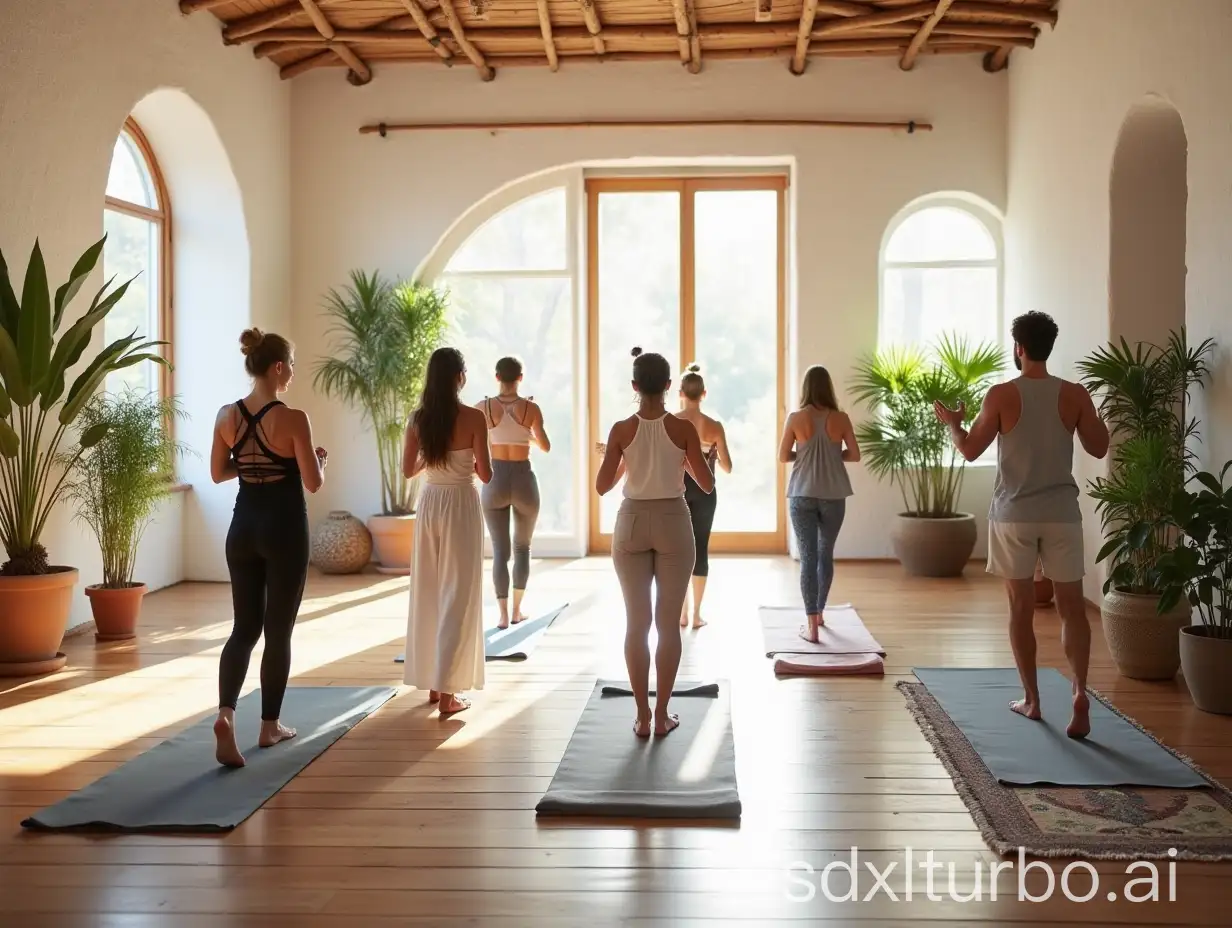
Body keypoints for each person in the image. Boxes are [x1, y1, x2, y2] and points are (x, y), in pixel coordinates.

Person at [934, 311, 1109, 739]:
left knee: (1020, 608)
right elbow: (1100, 446)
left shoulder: (1000, 395)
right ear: (1049, 347)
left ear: (1019, 348)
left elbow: (971, 450)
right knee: (1071, 608)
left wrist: (954, 425)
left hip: (1014, 515)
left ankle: (1031, 700)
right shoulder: (1074, 394)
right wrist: (1085, 413)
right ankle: (1080, 691)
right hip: (1062, 514)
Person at [209, 328, 327, 768]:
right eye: (292, 365)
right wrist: (315, 461)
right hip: (284, 532)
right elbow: (312, 483)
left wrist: (252, 458)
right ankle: (269, 726)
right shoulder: (293, 418)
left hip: (242, 530)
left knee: (244, 629)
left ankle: (225, 713)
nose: (293, 373)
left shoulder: (226, 415)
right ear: (277, 367)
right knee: (278, 632)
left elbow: (220, 473)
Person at [596, 348, 713, 738]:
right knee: (667, 624)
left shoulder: (620, 430)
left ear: (634, 386)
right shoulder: (683, 429)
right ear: (667, 386)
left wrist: (629, 461)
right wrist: (679, 460)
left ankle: (642, 716)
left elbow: (601, 486)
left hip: (630, 521)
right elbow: (707, 484)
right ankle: (662, 715)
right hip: (673, 522)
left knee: (637, 623)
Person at [403, 347, 492, 716]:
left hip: (430, 504)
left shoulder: (417, 419)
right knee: (459, 594)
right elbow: (485, 475)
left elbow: (409, 470)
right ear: (460, 377)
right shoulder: (473, 417)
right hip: (460, 504)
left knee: (430, 590)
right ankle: (450, 693)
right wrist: (466, 457)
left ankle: (436, 687)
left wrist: (433, 455)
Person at [779, 365, 859, 644]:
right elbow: (855, 454)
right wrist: (833, 455)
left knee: (808, 558)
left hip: (802, 494)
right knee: (825, 555)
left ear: (806, 388)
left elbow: (783, 456)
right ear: (828, 387)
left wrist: (805, 454)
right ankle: (821, 613)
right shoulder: (841, 418)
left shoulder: (796, 418)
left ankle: (811, 625)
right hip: (834, 495)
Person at [476, 357, 550, 629]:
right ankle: (518, 610)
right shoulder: (531, 408)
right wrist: (528, 434)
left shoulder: (481, 408)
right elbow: (546, 446)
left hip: (494, 478)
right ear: (521, 377)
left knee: (499, 550)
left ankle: (503, 615)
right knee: (522, 547)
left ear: (497, 377)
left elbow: (477, 445)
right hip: (523, 480)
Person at [675, 363, 732, 629]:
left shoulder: (672, 422)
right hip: (706, 490)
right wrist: (714, 456)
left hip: (678, 490)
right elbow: (728, 467)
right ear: (704, 394)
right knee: (701, 549)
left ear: (680, 393)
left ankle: (682, 614)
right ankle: (696, 615)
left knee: (678, 550)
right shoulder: (715, 426)